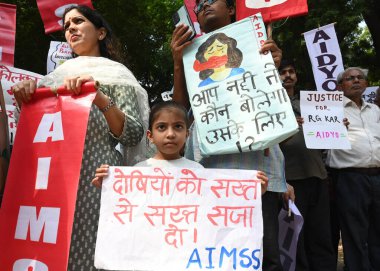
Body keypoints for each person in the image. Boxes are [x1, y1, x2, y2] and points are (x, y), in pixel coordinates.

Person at [11, 5, 149, 270]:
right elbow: (32, 139)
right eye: (66, 26)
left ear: (100, 33)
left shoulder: (117, 77)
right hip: (52, 184)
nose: (70, 28)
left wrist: (99, 98)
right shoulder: (52, 81)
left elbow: (133, 134)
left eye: (78, 21)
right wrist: (25, 99)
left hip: (96, 181)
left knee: (89, 254)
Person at [171, 1, 291, 270]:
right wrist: (178, 64)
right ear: (196, 21)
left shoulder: (260, 49)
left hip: (259, 174)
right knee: (211, 256)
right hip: (207, 175)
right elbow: (177, 113)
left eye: (211, 0)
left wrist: (272, 68)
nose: (203, 5)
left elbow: (276, 112)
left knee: (264, 256)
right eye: (198, 5)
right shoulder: (190, 59)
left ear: (232, 10)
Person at [93, 101, 269, 189]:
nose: (170, 134)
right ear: (150, 136)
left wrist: (252, 191)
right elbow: (126, 204)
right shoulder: (139, 171)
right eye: (161, 127)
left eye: (178, 127)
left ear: (187, 133)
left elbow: (216, 202)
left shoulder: (198, 171)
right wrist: (109, 186)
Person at [278, 60, 335, 271]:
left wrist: (337, 124)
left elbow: (329, 137)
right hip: (290, 179)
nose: (288, 75)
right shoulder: (271, 103)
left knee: (321, 233)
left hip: (318, 175)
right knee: (297, 236)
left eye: (291, 71)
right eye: (282, 72)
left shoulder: (310, 102)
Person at [326, 67, 380, 271]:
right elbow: (317, 142)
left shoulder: (375, 110)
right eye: (350, 78)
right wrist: (333, 127)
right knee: (354, 234)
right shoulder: (330, 109)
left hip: (377, 176)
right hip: (350, 178)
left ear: (366, 84)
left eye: (360, 78)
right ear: (340, 86)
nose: (356, 81)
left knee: (377, 231)